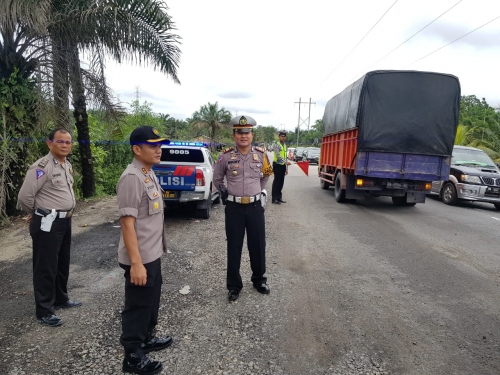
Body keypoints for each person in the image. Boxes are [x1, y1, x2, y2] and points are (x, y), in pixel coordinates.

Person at [116, 126, 173, 375]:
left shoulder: (148, 172)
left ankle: (147, 338)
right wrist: (136, 264)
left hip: (152, 252)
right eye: (153, 146)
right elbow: (127, 223)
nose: (158, 150)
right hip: (140, 257)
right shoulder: (132, 177)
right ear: (137, 149)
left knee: (151, 300)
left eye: (160, 145)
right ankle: (132, 356)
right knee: (137, 305)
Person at [18, 128, 81, 327]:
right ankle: (44, 310)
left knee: (62, 262)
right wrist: (36, 212)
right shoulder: (41, 167)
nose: (64, 145)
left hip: (65, 220)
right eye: (60, 142)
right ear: (49, 143)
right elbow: (24, 197)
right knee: (45, 266)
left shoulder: (66, 164)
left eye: (68, 142)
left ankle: (61, 299)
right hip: (48, 222)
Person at [213, 115, 274, 302]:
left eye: (247, 132)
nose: (243, 136)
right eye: (239, 132)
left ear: (252, 134)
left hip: (255, 207)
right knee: (234, 247)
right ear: (234, 135)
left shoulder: (262, 155)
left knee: (258, 245)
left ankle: (259, 280)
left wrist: (260, 191)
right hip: (234, 208)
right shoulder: (225, 156)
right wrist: (224, 192)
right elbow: (217, 179)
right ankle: (233, 286)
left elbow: (266, 175)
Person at [271, 130, 291, 204]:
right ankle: (274, 198)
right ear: (279, 136)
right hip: (277, 165)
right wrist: (285, 162)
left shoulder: (285, 145)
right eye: (282, 136)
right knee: (276, 182)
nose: (283, 137)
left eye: (284, 136)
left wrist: (286, 168)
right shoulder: (276, 144)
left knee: (281, 182)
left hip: (282, 166)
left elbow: (285, 157)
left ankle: (279, 198)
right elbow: (278, 155)